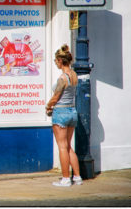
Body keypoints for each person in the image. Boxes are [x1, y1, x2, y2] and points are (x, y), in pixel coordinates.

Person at [46, 44, 82, 187]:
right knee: (68, 147)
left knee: (62, 146)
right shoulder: (74, 75)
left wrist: (48, 106)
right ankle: (77, 177)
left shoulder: (62, 78)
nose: (55, 63)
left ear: (61, 61)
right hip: (72, 111)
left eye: (56, 60)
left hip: (60, 113)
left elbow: (55, 97)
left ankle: (66, 178)